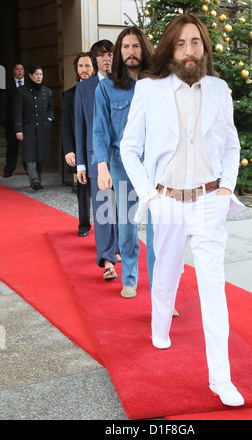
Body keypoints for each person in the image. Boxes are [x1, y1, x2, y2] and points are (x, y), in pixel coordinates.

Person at [120, 14, 246, 406]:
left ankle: (221, 378)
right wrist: (150, 196)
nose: (189, 51)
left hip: (210, 201)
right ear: (170, 49)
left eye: (195, 43)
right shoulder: (149, 89)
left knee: (213, 289)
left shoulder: (219, 89)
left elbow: (231, 145)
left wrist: (226, 188)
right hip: (168, 200)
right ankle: (159, 326)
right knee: (166, 272)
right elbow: (129, 148)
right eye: (181, 44)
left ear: (204, 48)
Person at [92, 27, 153, 299]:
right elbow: (99, 130)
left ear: (144, 50)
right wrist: (101, 165)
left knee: (158, 228)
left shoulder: (157, 83)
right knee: (127, 225)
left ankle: (161, 287)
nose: (131, 51)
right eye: (126, 46)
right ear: (119, 52)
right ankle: (130, 277)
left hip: (154, 165)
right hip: (122, 165)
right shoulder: (106, 87)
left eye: (136, 46)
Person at [75, 40, 120, 279]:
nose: (107, 59)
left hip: (122, 158)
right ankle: (106, 259)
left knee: (122, 207)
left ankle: (119, 247)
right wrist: (81, 163)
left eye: (110, 54)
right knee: (104, 208)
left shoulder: (125, 83)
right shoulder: (84, 89)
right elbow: (79, 127)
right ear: (95, 60)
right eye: (102, 56)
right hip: (95, 159)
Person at [62, 52, 94, 237]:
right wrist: (69, 150)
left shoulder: (102, 90)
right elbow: (66, 125)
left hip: (98, 148)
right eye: (80, 66)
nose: (84, 69)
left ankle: (106, 229)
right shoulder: (69, 95)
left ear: (94, 67)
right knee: (82, 189)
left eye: (87, 65)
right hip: (79, 149)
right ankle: (84, 225)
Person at [14, 65, 54, 190]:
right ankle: (35, 180)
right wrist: (19, 129)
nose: (39, 77)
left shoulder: (47, 91)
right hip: (28, 128)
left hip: (42, 128)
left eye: (41, 74)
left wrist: (49, 118)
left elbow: (50, 108)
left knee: (39, 155)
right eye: (36, 74)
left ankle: (38, 180)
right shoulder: (21, 91)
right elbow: (18, 112)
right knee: (30, 156)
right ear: (30, 75)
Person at [2, 63, 27, 178]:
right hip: (11, 122)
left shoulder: (29, 84)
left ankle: (29, 170)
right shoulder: (6, 84)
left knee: (27, 147)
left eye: (21, 69)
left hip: (26, 122)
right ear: (13, 71)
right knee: (12, 146)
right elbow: (3, 103)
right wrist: (4, 120)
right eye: (17, 69)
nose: (20, 71)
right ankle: (8, 170)